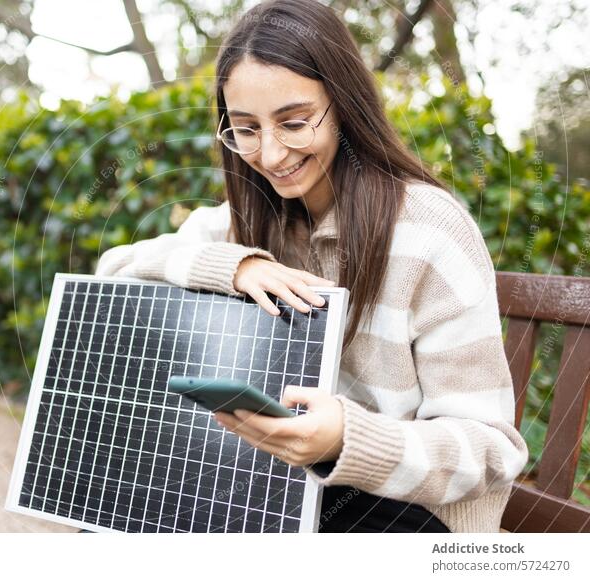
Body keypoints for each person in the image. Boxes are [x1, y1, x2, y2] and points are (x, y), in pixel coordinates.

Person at [95, 0, 527, 533]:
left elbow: (491, 450)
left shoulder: (431, 231)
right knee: (123, 507)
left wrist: (348, 438)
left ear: (344, 106)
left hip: (405, 518)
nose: (271, 155)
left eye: (294, 123)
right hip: (286, 488)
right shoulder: (246, 218)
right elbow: (113, 270)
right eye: (246, 129)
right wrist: (230, 266)